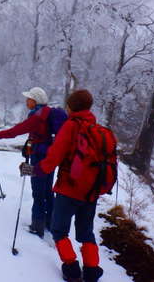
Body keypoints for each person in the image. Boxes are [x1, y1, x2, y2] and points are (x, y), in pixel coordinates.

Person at [20, 89, 104, 282]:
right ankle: (91, 271)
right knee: (86, 233)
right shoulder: (97, 129)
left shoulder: (70, 126)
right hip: (91, 191)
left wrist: (33, 170)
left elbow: (52, 159)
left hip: (68, 189)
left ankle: (71, 269)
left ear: (71, 106)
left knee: (59, 230)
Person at [0, 87, 67, 238]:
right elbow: (40, 135)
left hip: (39, 157)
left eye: (28, 98)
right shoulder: (47, 113)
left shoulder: (37, 117)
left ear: (35, 101)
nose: (26, 101)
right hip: (51, 155)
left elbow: (15, 131)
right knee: (48, 190)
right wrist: (29, 144)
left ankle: (37, 226)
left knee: (38, 191)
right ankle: (50, 223)